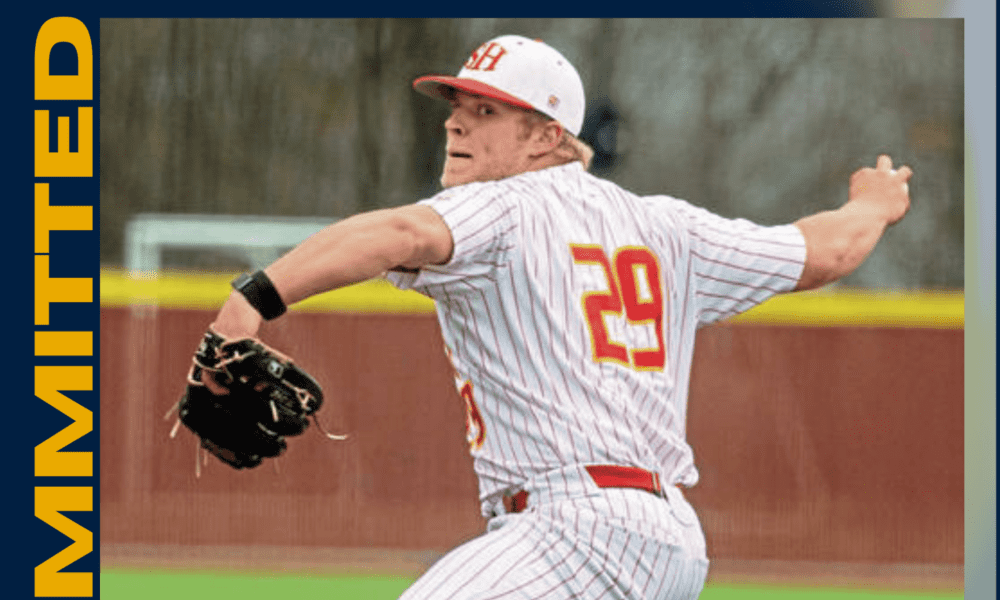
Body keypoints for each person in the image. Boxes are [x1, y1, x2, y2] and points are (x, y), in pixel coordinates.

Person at [208, 35, 912, 600]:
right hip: (668, 545)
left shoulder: (502, 205)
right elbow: (824, 252)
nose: (455, 121)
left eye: (487, 111)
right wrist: (873, 205)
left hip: (574, 532)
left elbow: (398, 233)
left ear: (547, 138)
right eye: (456, 105)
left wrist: (251, 301)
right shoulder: (668, 228)